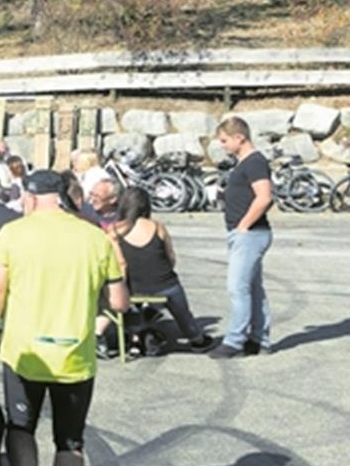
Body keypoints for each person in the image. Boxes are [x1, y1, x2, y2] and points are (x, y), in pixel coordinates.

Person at [0, 171, 128, 466]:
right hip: (75, 355)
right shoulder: (95, 237)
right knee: (70, 440)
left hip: (25, 353)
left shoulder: (11, 234)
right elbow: (120, 302)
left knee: (21, 428)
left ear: (31, 197)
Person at [110, 187, 212, 351]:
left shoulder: (114, 231)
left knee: (132, 305)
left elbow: (121, 263)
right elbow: (170, 257)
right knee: (182, 312)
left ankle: (136, 336)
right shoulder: (158, 227)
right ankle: (196, 338)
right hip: (164, 283)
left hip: (135, 287)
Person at [214, 117, 275, 358]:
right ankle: (260, 340)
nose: (222, 145)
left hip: (250, 234)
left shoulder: (254, 162)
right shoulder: (242, 164)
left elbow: (264, 197)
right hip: (245, 233)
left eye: (224, 140)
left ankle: (235, 341)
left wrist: (243, 226)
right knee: (253, 288)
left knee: (237, 288)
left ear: (240, 138)